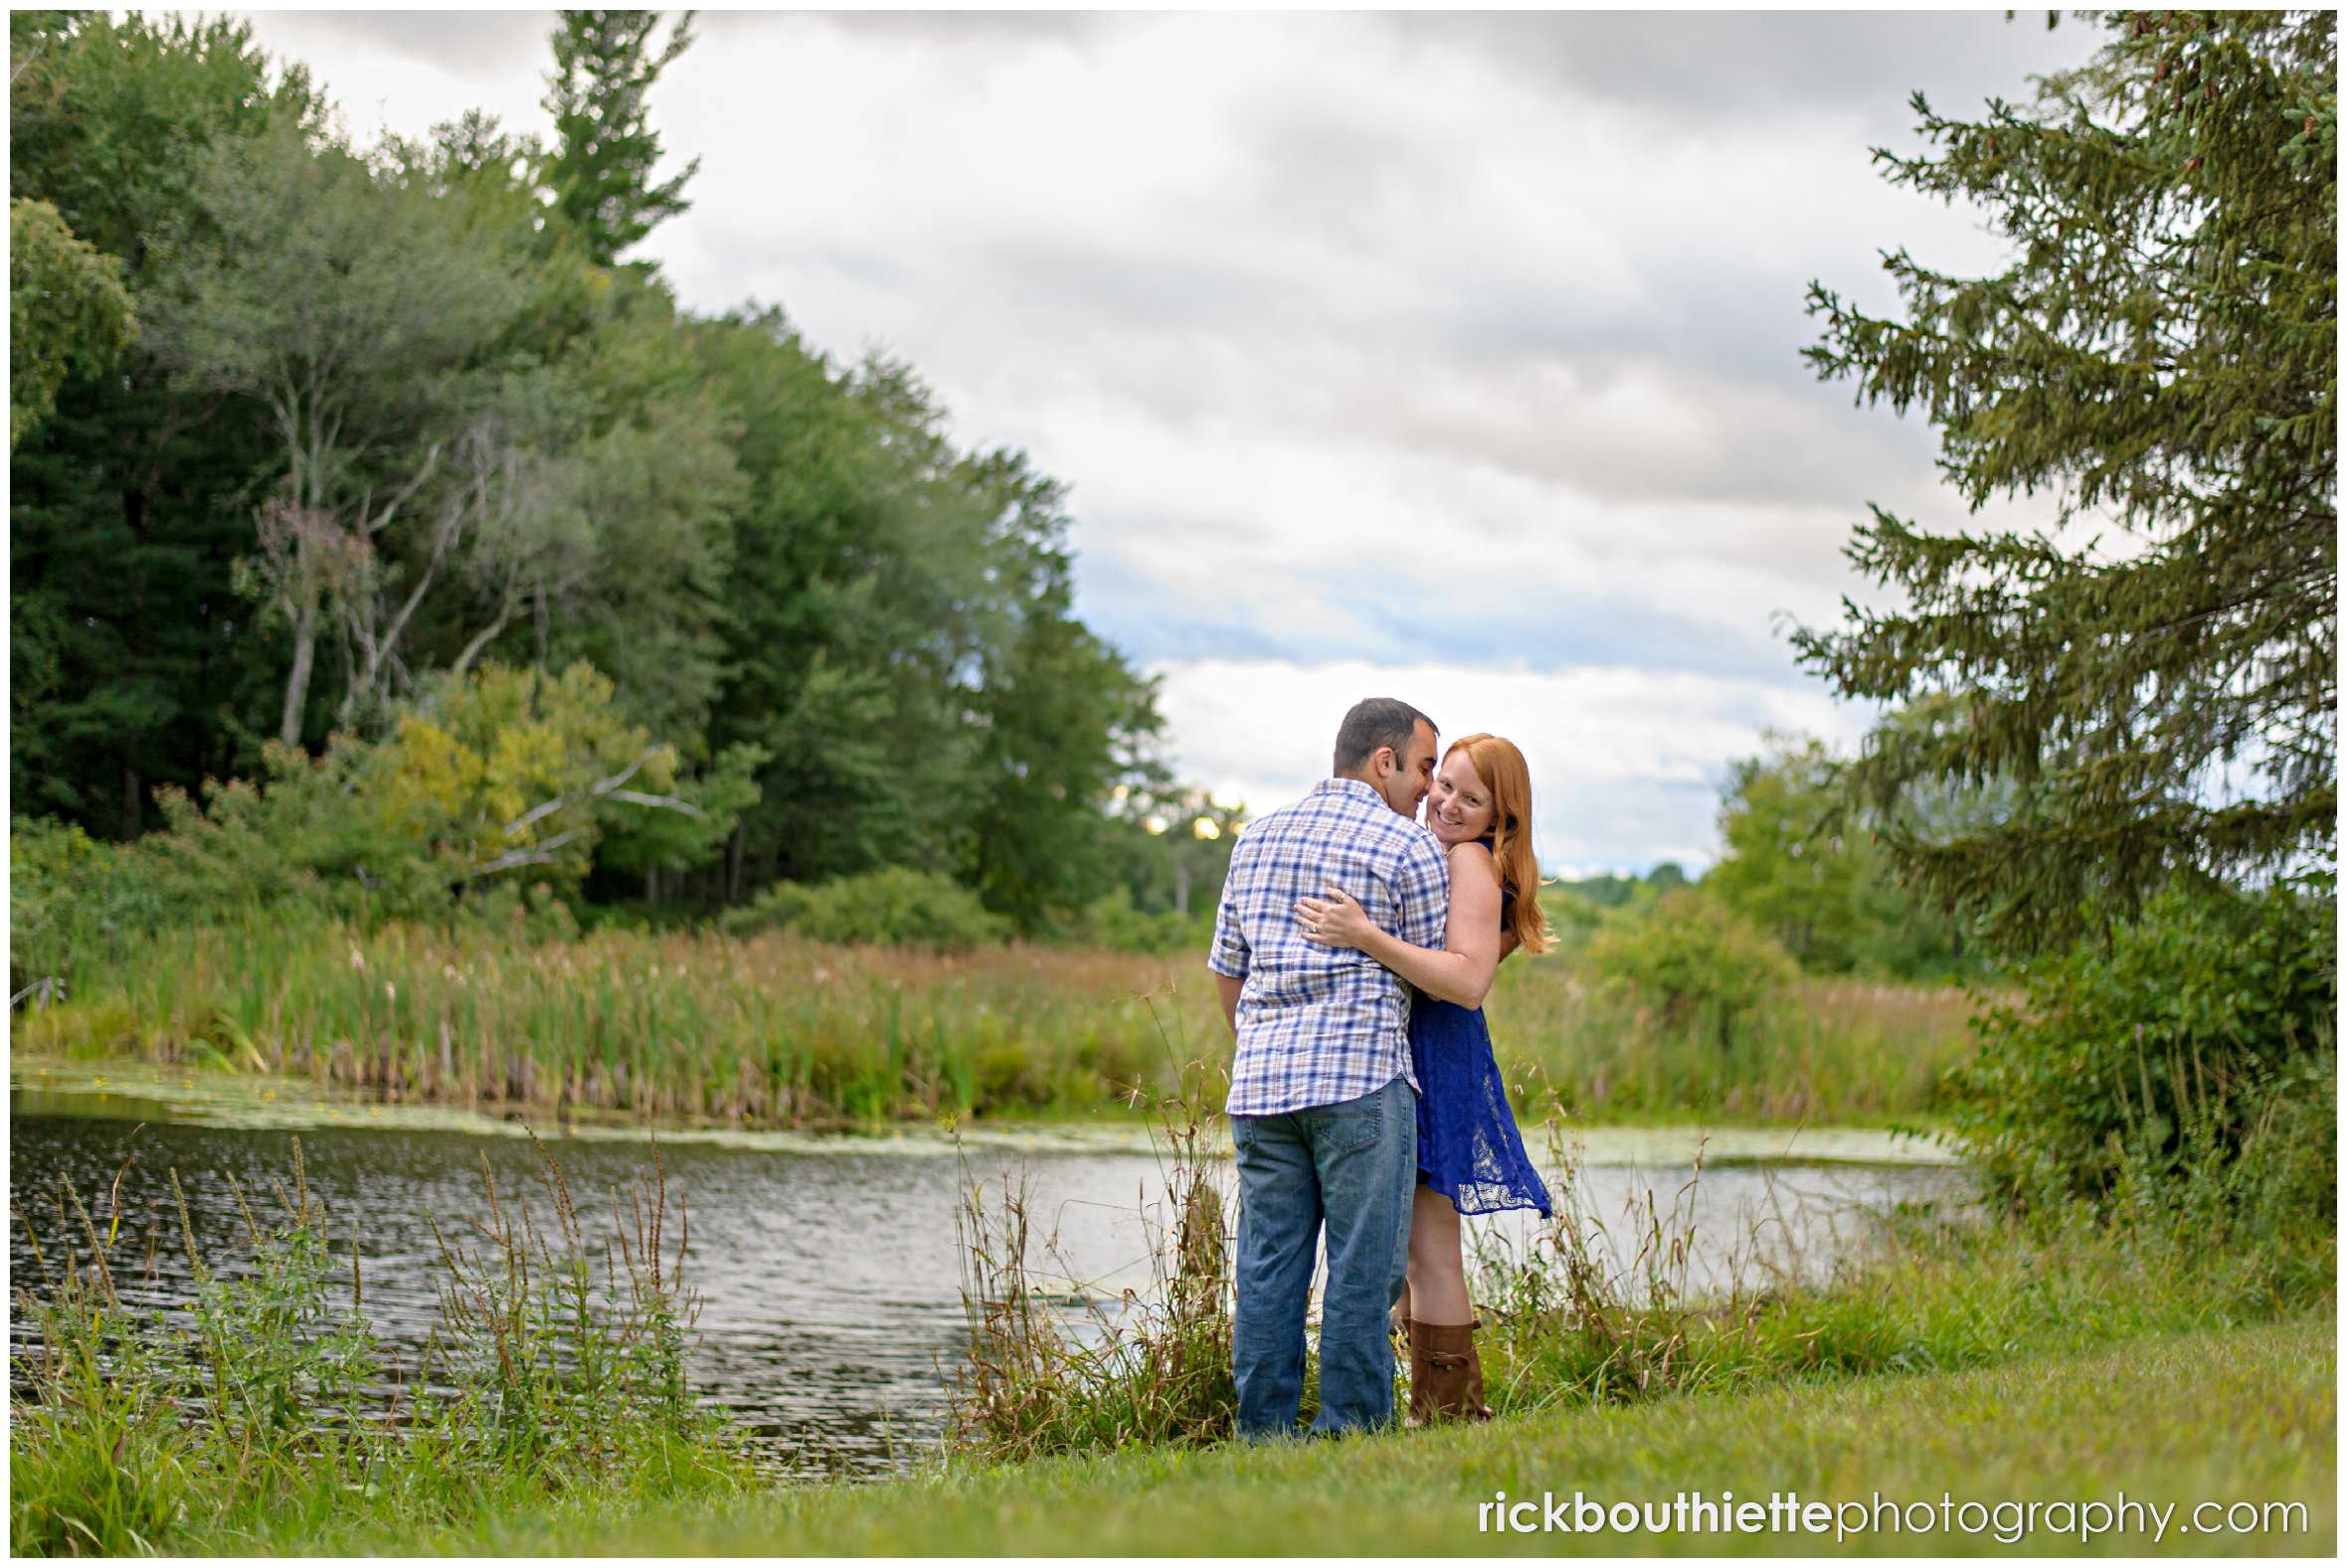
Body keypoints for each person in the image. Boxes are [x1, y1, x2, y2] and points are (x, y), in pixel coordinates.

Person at [1207, 697, 1450, 1440]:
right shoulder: (1408, 848)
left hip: (1264, 1090)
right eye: (1425, 767)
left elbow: (1227, 970)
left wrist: (1266, 1043)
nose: (1429, 790)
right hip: (1360, 1086)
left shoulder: (1255, 839)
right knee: (1362, 1265)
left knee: (1268, 1265)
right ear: (1385, 760)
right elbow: (1436, 974)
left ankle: (1264, 1432)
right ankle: (1352, 1427)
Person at [1294, 731, 1552, 1425]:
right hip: (1424, 1049)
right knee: (1412, 1244)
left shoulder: (1469, 860)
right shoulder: (1446, 853)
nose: (1445, 802)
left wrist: (1365, 934)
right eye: (1444, 784)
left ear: (1500, 817)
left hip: (1436, 1052)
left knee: (1430, 1247)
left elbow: (1464, 982)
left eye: (1471, 798)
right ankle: (1436, 1402)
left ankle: (1450, 1410)